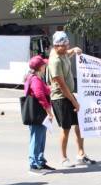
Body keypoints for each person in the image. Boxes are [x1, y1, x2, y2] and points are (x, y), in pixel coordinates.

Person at [48, 30, 97, 168]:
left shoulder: (63, 54)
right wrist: (74, 102)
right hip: (60, 98)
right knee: (66, 128)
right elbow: (62, 85)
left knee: (80, 125)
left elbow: (68, 53)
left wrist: (74, 50)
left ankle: (81, 154)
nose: (66, 48)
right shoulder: (55, 61)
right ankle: (63, 158)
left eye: (67, 44)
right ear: (57, 46)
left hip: (69, 95)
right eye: (64, 45)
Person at [24, 56, 56, 173]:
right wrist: (49, 111)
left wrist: (49, 88)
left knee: (40, 138)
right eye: (43, 65)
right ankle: (33, 163)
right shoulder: (35, 79)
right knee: (36, 138)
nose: (45, 67)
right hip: (38, 113)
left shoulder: (35, 78)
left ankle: (40, 161)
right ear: (40, 67)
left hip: (39, 114)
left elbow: (42, 91)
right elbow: (39, 95)